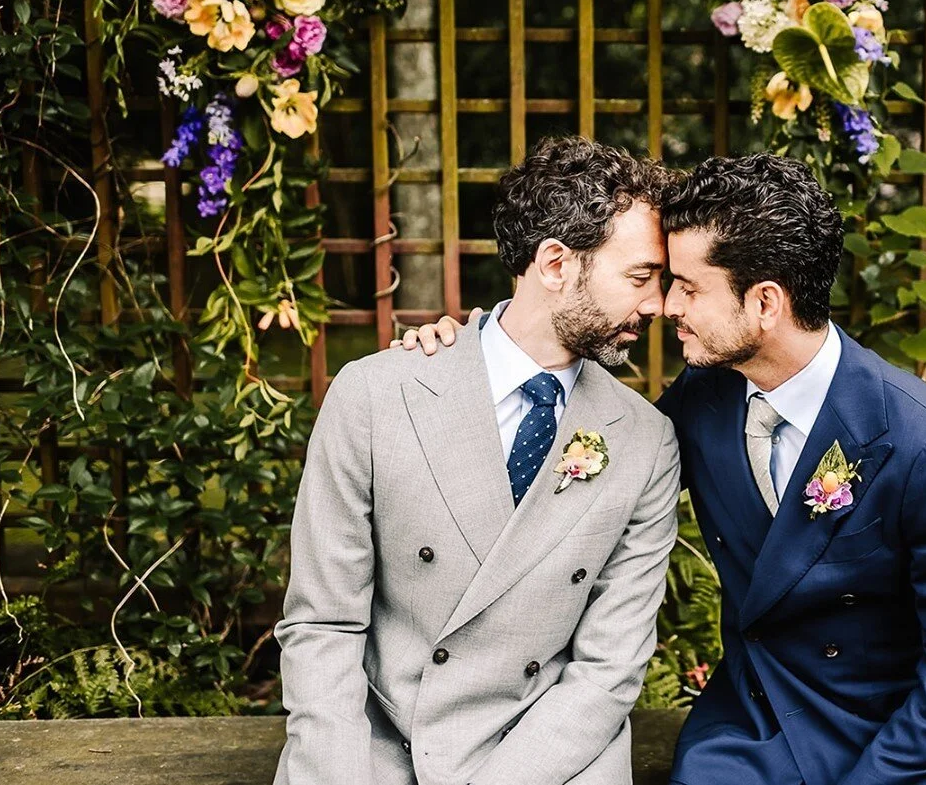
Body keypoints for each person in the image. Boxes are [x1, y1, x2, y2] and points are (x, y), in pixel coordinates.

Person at [399, 152, 926, 785]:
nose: (666, 307)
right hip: (754, 731)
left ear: (766, 302)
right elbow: (594, 460)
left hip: (906, 745)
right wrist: (472, 355)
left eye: (689, 287)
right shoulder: (705, 399)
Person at [274, 136, 682, 785]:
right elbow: (323, 623)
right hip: (383, 746)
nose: (659, 304)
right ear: (555, 264)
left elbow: (608, 670)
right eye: (640, 276)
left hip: (553, 758)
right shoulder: (376, 395)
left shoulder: (645, 441)